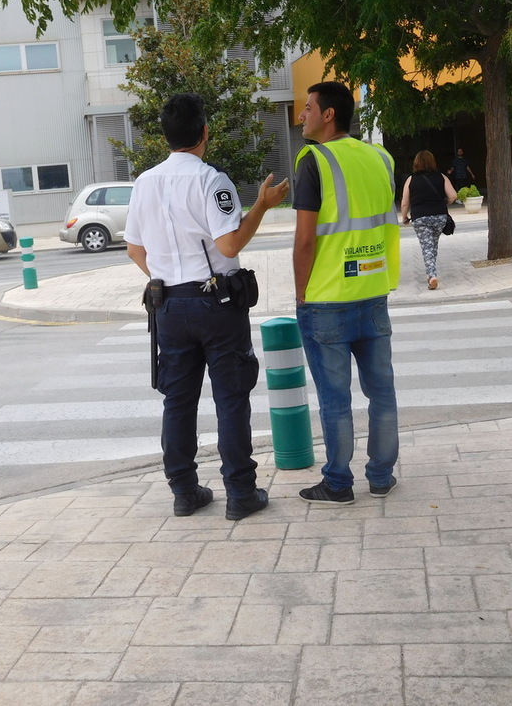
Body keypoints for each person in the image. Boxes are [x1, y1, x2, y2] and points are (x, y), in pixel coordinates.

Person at [124, 92, 290, 521]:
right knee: (231, 398)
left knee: (177, 401)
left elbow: (133, 249)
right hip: (216, 303)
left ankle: (184, 491)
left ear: (165, 135)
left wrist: (165, 279)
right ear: (205, 133)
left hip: (168, 305)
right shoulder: (211, 180)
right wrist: (262, 206)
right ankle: (240, 493)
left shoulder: (144, 182)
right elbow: (230, 243)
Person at [291, 81, 400, 505]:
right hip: (373, 290)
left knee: (335, 399)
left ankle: (338, 483)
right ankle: (381, 476)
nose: (303, 115)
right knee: (382, 391)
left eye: (308, 108)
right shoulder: (381, 157)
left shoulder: (313, 160)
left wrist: (301, 294)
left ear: (328, 114)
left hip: (327, 299)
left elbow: (304, 240)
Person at [401, 150, 457, 290]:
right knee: (432, 245)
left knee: (427, 247)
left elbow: (405, 203)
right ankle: (430, 273)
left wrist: (404, 217)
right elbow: (453, 196)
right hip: (439, 216)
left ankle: (432, 275)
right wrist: (445, 202)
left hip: (420, 217)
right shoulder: (441, 177)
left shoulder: (411, 179)